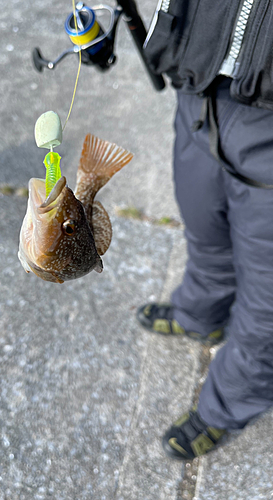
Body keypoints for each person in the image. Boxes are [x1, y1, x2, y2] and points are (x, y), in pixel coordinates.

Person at [137, 0, 273, 460]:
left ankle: (227, 405)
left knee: (266, 306)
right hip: (197, 91)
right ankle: (200, 315)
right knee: (204, 232)